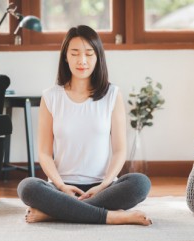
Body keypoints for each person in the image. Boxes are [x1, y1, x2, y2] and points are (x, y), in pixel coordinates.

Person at [17, 25, 152, 226]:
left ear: (98, 57)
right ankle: (111, 216)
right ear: (65, 57)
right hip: (61, 187)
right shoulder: (51, 97)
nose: (82, 61)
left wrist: (104, 184)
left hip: (102, 187)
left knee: (140, 183)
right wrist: (62, 187)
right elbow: (44, 153)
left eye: (89, 54)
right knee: (27, 187)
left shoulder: (112, 95)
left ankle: (55, 213)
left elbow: (119, 150)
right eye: (75, 53)